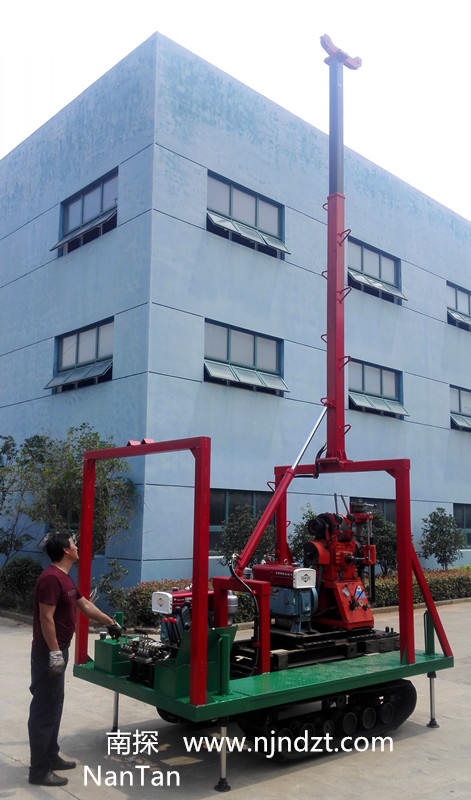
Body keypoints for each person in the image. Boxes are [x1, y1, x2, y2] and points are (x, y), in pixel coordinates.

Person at [28, 531, 121, 787]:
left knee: (54, 705)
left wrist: (110, 621)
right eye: (73, 543)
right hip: (48, 654)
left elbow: (84, 604)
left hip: (59, 650)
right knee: (44, 709)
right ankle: (39, 771)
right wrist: (54, 652)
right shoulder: (50, 579)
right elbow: (46, 618)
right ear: (65, 550)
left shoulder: (64, 578)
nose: (77, 546)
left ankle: (51, 755)